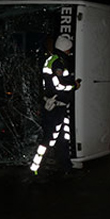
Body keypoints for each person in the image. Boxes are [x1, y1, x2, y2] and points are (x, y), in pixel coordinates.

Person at [29, 35, 81, 176]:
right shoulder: (57, 62)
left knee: (63, 138)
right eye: (69, 48)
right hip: (55, 108)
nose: (71, 51)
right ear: (65, 48)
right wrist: (73, 85)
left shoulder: (53, 60)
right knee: (49, 140)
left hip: (59, 107)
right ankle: (36, 170)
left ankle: (65, 167)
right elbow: (58, 85)